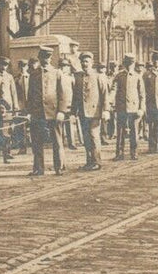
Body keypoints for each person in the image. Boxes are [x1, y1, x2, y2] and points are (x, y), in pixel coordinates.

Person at [25, 46, 69, 177]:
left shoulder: (57, 73)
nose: (45, 60)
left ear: (51, 58)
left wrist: (61, 111)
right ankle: (38, 168)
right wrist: (29, 112)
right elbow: (30, 94)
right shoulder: (34, 74)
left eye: (48, 57)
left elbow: (63, 94)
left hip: (54, 112)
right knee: (37, 141)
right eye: (43, 57)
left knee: (57, 140)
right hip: (37, 113)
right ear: (39, 58)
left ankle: (59, 167)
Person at [72, 51, 108, 172]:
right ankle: (89, 161)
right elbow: (75, 97)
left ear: (91, 62)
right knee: (86, 138)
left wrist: (106, 110)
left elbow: (104, 94)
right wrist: (73, 112)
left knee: (94, 136)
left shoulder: (98, 76)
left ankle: (97, 161)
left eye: (87, 61)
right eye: (82, 61)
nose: (84, 63)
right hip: (82, 112)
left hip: (95, 112)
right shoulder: (78, 77)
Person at [112, 54, 143, 160]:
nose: (130, 66)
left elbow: (142, 94)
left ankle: (134, 152)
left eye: (132, 64)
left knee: (134, 131)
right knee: (120, 131)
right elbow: (114, 89)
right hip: (121, 107)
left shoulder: (138, 76)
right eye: (128, 64)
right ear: (125, 64)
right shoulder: (119, 76)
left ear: (134, 64)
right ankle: (119, 153)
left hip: (134, 108)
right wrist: (111, 102)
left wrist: (141, 109)